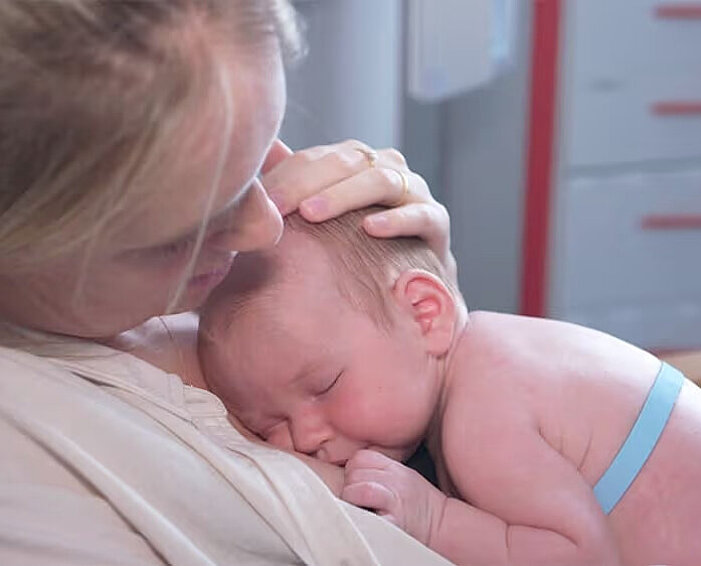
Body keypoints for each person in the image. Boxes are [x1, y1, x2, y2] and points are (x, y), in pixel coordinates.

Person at [0, 2, 459, 565]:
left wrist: (448, 366)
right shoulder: (35, 485)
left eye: (261, 157)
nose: (266, 227)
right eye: (189, 233)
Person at [198, 206, 701, 566]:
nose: (305, 437)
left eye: (324, 385)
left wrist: (432, 518)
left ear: (424, 313)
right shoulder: (498, 348)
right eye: (268, 425)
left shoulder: (482, 417)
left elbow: (580, 557)